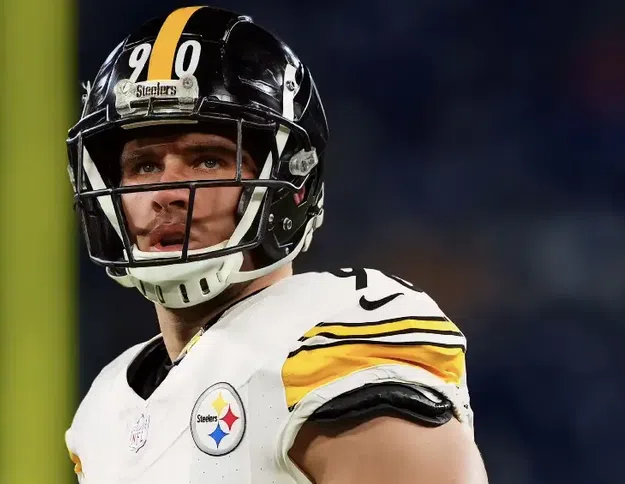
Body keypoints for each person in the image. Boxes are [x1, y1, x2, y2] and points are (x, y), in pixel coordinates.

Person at [64, 6, 487, 483]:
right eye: (144, 166)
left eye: (208, 160)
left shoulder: (331, 345)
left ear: (291, 183)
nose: (166, 192)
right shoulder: (106, 409)